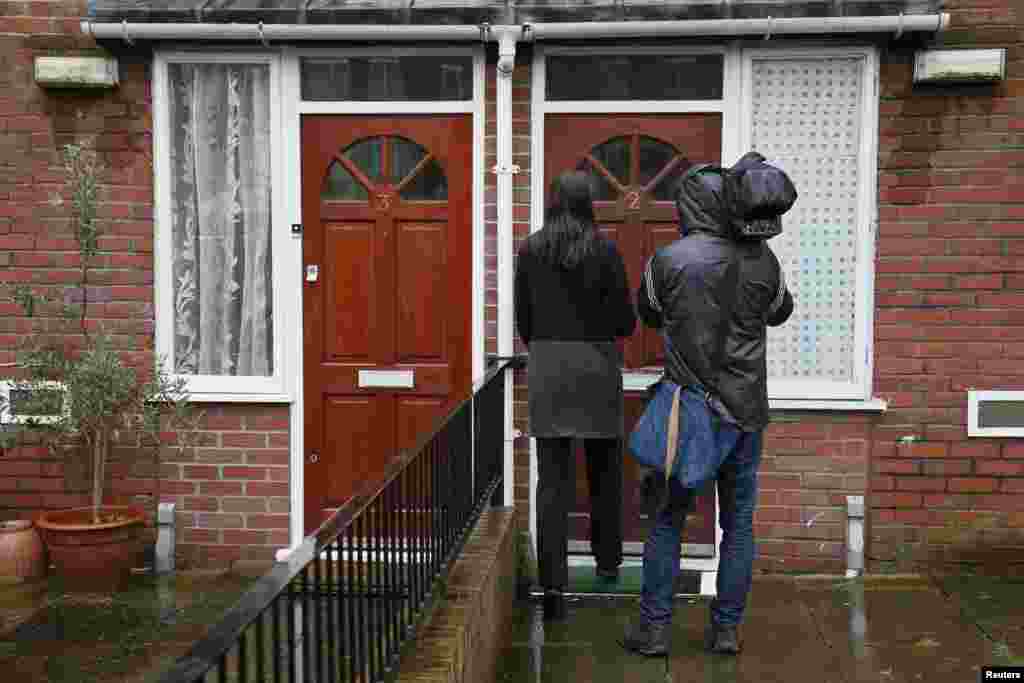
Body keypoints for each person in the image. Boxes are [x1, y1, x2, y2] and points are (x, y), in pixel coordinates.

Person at [621, 159, 794, 656]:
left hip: (690, 411)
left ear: (688, 206)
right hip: (746, 412)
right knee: (738, 523)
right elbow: (781, 312)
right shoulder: (764, 261)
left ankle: (654, 631)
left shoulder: (669, 260)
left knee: (668, 520)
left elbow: (648, 314)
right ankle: (726, 630)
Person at [515, 170, 637, 621]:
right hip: (598, 367)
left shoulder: (529, 249)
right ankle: (608, 565)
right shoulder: (605, 250)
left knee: (553, 483)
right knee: (605, 472)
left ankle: (553, 592)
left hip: (548, 369)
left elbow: (523, 320)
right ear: (590, 202)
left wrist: (547, 344)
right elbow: (626, 321)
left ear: (551, 201)